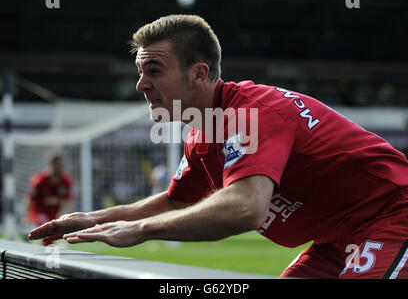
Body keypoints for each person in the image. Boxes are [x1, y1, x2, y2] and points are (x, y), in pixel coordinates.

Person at [29, 15, 408, 279]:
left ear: (200, 74)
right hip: (337, 236)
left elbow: (245, 207)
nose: (141, 85)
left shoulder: (253, 114)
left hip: (393, 215)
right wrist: (94, 219)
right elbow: (177, 201)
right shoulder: (202, 130)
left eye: (154, 70)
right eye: (140, 72)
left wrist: (141, 229)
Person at [25, 152, 74, 245]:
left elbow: (69, 200)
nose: (59, 167)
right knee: (47, 231)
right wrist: (26, 216)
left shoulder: (66, 181)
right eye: (56, 164)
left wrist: (67, 217)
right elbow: (29, 198)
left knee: (50, 237)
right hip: (38, 213)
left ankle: (41, 251)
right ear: (51, 165)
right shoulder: (40, 180)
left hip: (53, 215)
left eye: (61, 164)